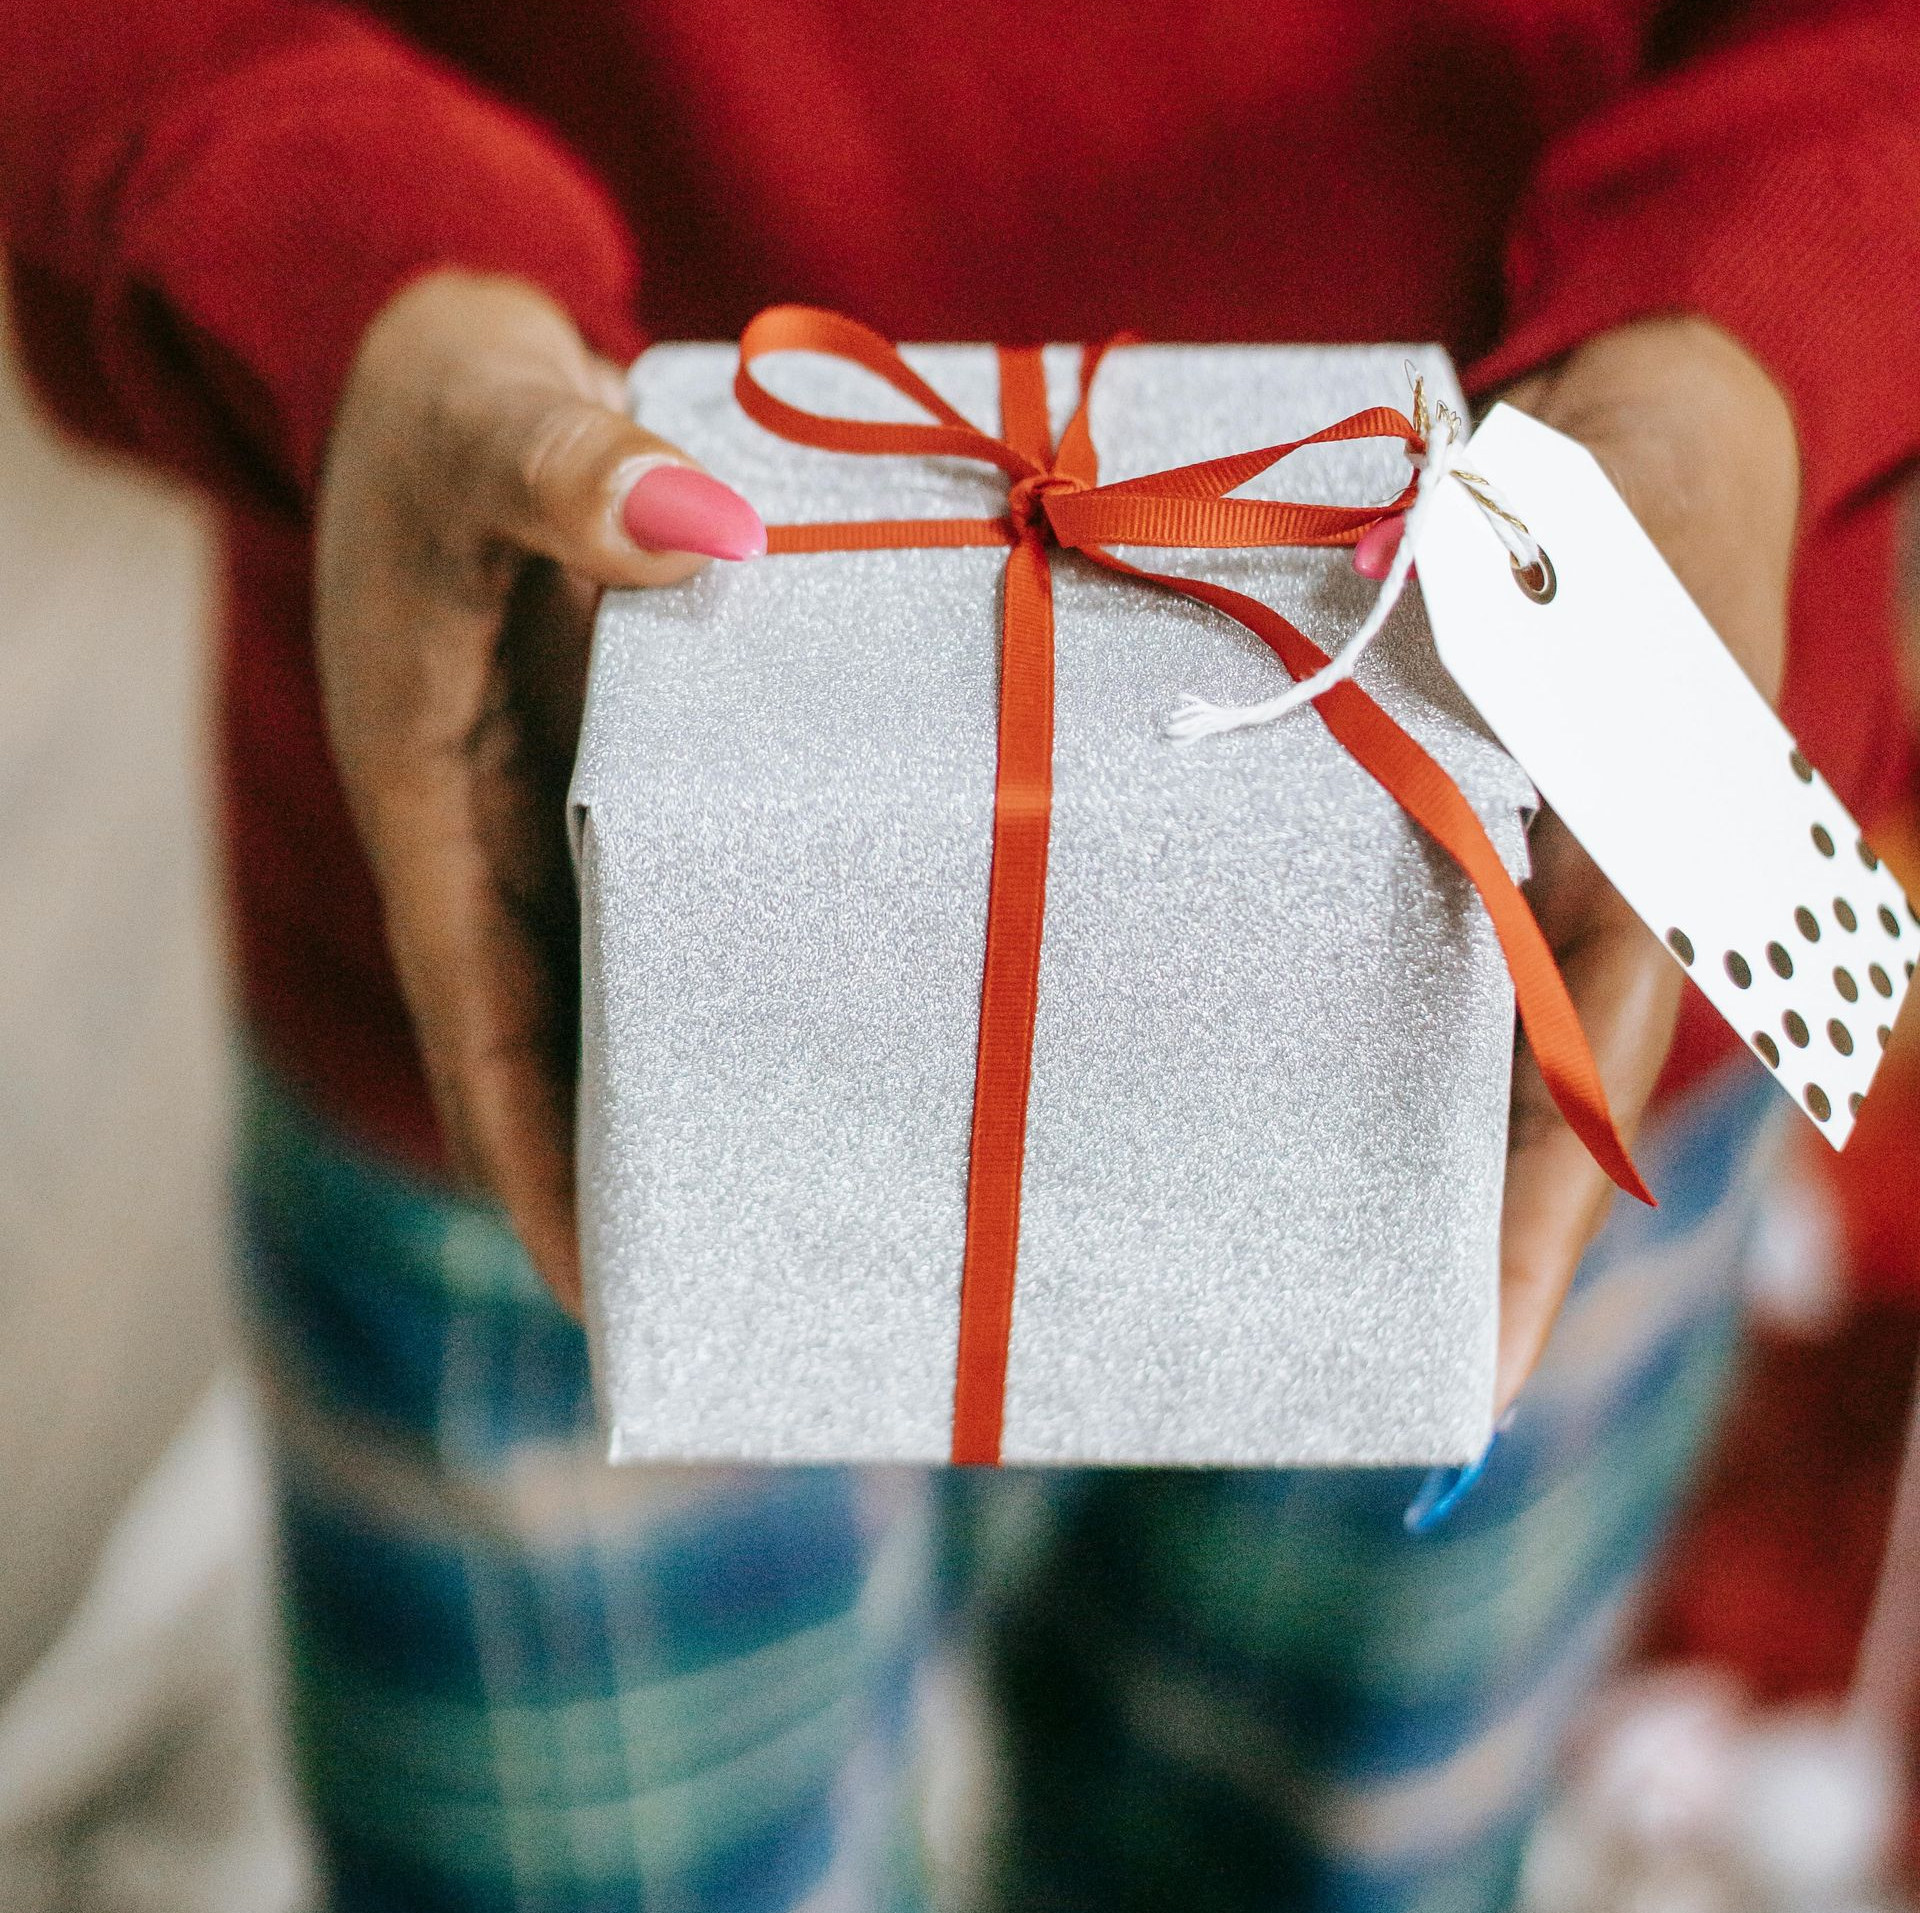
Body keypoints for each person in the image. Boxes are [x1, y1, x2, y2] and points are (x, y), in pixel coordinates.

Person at [4, 2, 1915, 1907]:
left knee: (1314, 1865)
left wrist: (1761, 303)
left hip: (1536, 847)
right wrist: (323, 227)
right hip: (540, 876)